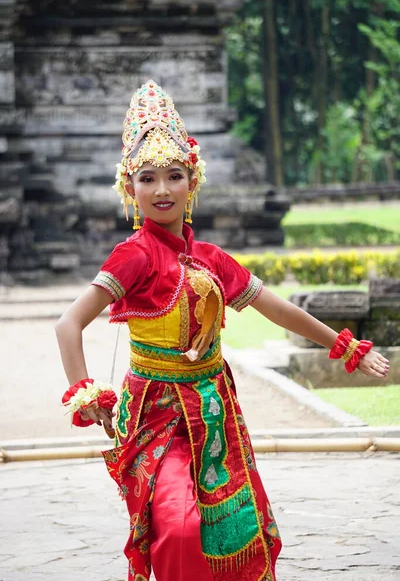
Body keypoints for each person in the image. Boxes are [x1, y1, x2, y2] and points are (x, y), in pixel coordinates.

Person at [55, 79, 390, 581]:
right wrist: (88, 395)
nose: (162, 189)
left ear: (193, 182)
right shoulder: (134, 255)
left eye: (174, 175)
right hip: (155, 415)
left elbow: (277, 309)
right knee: (178, 526)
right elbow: (69, 323)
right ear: (130, 189)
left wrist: (345, 346)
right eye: (148, 178)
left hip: (214, 413)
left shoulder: (211, 259)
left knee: (231, 532)